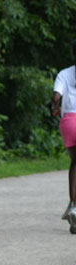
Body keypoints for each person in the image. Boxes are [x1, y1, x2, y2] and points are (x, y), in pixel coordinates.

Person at [52, 38, 76, 234]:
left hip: (69, 122)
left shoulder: (64, 74)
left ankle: (73, 206)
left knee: (75, 163)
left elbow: (56, 96)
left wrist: (55, 107)